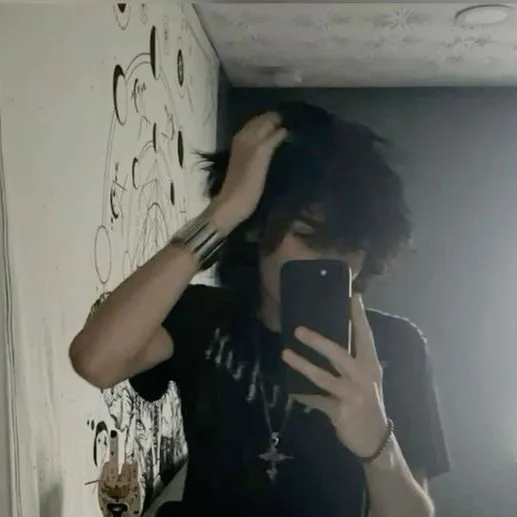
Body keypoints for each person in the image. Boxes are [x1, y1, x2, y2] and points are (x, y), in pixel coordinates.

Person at [70, 102, 450, 517]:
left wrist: (378, 444)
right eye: (307, 237)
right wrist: (224, 210)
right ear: (255, 227)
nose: (330, 264)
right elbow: (95, 361)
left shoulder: (393, 347)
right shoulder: (201, 316)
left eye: (350, 249)